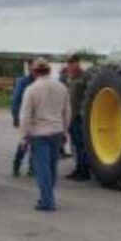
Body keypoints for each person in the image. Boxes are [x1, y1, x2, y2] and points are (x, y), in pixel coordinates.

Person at [19, 58, 70, 212]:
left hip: (39, 133)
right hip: (56, 131)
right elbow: (67, 112)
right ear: (49, 70)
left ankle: (47, 200)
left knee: (42, 169)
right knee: (52, 167)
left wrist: (23, 135)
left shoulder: (32, 89)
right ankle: (47, 196)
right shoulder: (61, 87)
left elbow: (25, 115)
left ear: (34, 72)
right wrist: (65, 131)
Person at [64, 55, 91, 181]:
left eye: (72, 63)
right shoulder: (70, 78)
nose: (70, 65)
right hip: (71, 116)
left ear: (78, 63)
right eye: (69, 63)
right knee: (75, 145)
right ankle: (78, 168)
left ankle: (84, 171)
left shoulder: (85, 77)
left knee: (82, 145)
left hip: (80, 116)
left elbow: (89, 95)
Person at [10, 65, 35, 178]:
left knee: (35, 143)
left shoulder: (39, 81)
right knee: (24, 141)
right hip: (25, 116)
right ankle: (17, 165)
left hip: (37, 117)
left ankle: (32, 168)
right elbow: (15, 99)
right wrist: (16, 116)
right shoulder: (23, 81)